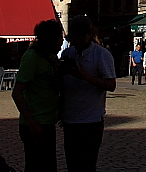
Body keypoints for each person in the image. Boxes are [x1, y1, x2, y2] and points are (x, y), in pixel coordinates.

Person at [60, 15, 116, 172]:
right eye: (74, 38)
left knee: (87, 165)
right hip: (70, 119)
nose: (77, 41)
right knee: (72, 164)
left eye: (80, 37)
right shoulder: (68, 54)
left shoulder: (101, 55)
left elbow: (111, 85)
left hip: (91, 120)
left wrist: (85, 76)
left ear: (90, 34)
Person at [13, 19, 64, 172]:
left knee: (49, 166)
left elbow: (54, 87)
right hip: (34, 123)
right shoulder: (32, 57)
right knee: (36, 166)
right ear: (49, 40)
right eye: (58, 41)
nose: (61, 45)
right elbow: (17, 93)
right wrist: (32, 123)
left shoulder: (50, 56)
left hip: (48, 121)